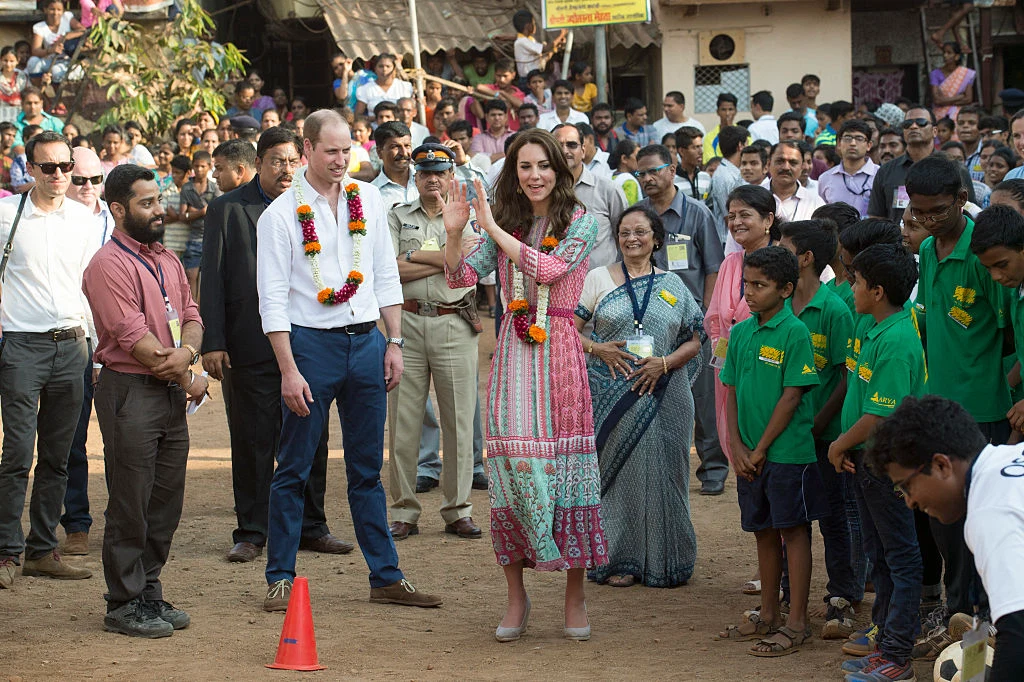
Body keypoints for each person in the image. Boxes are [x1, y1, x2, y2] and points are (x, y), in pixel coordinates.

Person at [256, 109, 441, 612]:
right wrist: (288, 369)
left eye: (346, 151)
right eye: (330, 151)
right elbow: (272, 300)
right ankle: (280, 578)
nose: (340, 160)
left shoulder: (368, 199)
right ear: (307, 149)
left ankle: (386, 576)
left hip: (367, 345)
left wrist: (394, 342)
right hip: (310, 348)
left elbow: (384, 274)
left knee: (366, 469)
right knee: (294, 467)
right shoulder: (280, 215)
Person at [443, 128, 605, 642]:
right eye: (524, 167)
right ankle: (517, 596)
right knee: (513, 466)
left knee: (567, 471)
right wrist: (455, 234)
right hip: (513, 355)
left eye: (543, 166)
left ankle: (575, 597)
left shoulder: (581, 221)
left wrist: (489, 225)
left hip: (559, 351)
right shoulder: (508, 222)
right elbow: (459, 279)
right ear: (513, 174)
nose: (535, 176)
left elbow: (550, 269)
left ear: (559, 169)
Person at [200, 129, 349, 564]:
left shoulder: (313, 204)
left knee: (311, 437)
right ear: (258, 163)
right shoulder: (228, 209)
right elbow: (213, 276)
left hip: (308, 341)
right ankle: (251, 531)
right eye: (276, 161)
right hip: (248, 343)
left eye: (291, 161)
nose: (285, 170)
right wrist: (213, 341)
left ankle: (312, 527)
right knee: (252, 440)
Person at [81, 164, 209, 637]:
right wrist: (189, 374)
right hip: (131, 390)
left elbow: (192, 314)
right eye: (147, 203)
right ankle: (123, 603)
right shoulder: (107, 265)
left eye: (159, 200)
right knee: (130, 500)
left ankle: (149, 591)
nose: (159, 210)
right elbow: (138, 343)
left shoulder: (167, 258)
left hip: (169, 392)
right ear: (118, 210)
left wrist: (187, 355)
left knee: (165, 500)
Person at [574, 205, 703, 587]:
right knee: (620, 476)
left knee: (669, 476)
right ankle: (620, 560)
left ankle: (669, 561)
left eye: (640, 232)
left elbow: (696, 339)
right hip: (613, 395)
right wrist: (598, 349)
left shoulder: (673, 285)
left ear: (656, 239)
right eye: (625, 232)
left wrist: (664, 363)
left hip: (667, 394)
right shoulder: (598, 278)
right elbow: (568, 329)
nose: (632, 238)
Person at [910, 155, 1011, 627]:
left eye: (938, 211)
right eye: (919, 212)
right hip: (940, 407)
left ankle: (978, 622)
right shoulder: (929, 251)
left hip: (983, 410)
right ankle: (956, 617)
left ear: (962, 200)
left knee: (978, 525)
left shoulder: (986, 254)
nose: (929, 221)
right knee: (944, 523)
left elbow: (1009, 334)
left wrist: (1002, 383)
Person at [868, 396, 1024, 680]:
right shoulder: (1002, 466)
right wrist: (974, 673)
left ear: (941, 465)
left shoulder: (992, 512)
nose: (909, 502)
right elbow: (979, 615)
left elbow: (1017, 634)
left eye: (907, 486)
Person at [717, 245, 825, 657]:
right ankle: (768, 613)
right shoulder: (741, 332)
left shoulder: (795, 332)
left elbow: (792, 397)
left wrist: (760, 448)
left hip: (787, 454)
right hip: (749, 455)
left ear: (785, 289)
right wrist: (737, 446)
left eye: (760, 285)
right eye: (746, 284)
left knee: (793, 532)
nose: (749, 292)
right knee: (762, 530)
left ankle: (797, 622)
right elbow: (731, 391)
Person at [0, 131, 96, 589]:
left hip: (73, 345)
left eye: (65, 166)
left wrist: (97, 347)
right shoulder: (7, 215)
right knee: (17, 454)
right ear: (31, 168)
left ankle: (42, 550)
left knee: (59, 456)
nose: (59, 175)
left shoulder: (83, 218)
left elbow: (93, 286)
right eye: (49, 167)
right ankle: (7, 551)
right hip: (22, 345)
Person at [827, 241, 925, 681]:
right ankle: (884, 643)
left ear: (878, 291)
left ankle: (898, 655)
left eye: (857, 282)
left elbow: (880, 415)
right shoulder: (875, 329)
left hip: (889, 466)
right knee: (880, 555)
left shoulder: (898, 340)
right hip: (868, 463)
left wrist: (838, 444)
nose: (851, 288)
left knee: (900, 557)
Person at [386, 143, 482, 541]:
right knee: (403, 422)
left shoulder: (466, 216)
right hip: (405, 323)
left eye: (440, 172)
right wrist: (442, 255)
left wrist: (416, 256)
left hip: (453, 322)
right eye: (425, 172)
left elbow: (464, 265)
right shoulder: (396, 215)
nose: (432, 179)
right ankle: (404, 510)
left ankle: (458, 509)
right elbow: (388, 270)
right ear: (416, 175)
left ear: (451, 176)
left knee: (459, 420)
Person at [777, 220, 859, 639]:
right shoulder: (777, 304)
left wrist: (820, 423)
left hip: (823, 437)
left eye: (784, 248)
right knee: (790, 517)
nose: (777, 253)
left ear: (806, 258)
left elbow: (847, 374)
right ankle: (789, 593)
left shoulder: (833, 310)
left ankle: (842, 595)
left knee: (832, 517)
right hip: (786, 436)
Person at [636, 145, 728, 495]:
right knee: (653, 396)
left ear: (672, 170)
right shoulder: (638, 216)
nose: (647, 178)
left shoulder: (697, 214)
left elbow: (713, 267)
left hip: (692, 324)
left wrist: (705, 317)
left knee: (704, 399)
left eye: (654, 170)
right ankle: (659, 471)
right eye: (641, 173)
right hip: (649, 322)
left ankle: (713, 468)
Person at [57, 147, 113, 557]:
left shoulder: (119, 219)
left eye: (95, 180)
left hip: (119, 346)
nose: (88, 187)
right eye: (79, 180)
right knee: (70, 440)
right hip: (72, 343)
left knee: (122, 441)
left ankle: (123, 522)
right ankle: (76, 524)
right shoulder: (49, 223)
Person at [706, 185, 779, 463]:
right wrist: (724, 357)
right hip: (730, 372)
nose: (736, 222)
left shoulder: (784, 260)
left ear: (768, 219)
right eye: (731, 216)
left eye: (745, 215)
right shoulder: (730, 263)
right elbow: (715, 319)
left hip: (770, 369)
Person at [868, 106, 976, 222]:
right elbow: (876, 218)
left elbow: (968, 213)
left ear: (935, 131)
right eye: (907, 124)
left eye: (921, 122)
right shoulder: (886, 171)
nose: (913, 127)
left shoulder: (955, 168)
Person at [553, 123, 626, 270]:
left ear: (583, 151)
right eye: (558, 145)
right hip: (555, 280)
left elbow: (624, 236)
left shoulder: (608, 190)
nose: (565, 151)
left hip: (602, 281)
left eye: (572, 145)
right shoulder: (542, 192)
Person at [179, 150, 221, 300]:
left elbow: (216, 212)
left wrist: (193, 212)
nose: (199, 169)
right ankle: (192, 308)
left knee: (207, 278)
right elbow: (182, 216)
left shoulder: (215, 187)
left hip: (212, 236)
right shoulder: (187, 188)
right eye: (196, 166)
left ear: (209, 167)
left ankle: (203, 309)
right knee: (191, 275)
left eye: (203, 166)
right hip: (195, 237)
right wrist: (202, 211)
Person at [817, 119, 879, 217]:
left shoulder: (880, 175)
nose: (853, 143)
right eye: (847, 138)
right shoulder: (825, 178)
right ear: (839, 143)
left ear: (868, 145)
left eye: (859, 138)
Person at [764, 141, 825, 223]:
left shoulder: (815, 203)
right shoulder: (753, 197)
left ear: (802, 167)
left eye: (793, 163)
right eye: (780, 161)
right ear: (768, 164)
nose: (786, 167)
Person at [25, 0, 84, 83]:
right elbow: (35, 50)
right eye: (52, 9)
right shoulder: (39, 27)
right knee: (33, 62)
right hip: (49, 60)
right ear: (45, 10)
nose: (55, 13)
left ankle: (58, 91)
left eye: (59, 10)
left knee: (56, 71)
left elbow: (83, 30)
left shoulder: (67, 18)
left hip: (66, 60)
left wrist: (66, 36)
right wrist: (51, 50)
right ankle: (38, 89)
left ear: (63, 11)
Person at [708, 125, 748, 236]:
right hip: (728, 238)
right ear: (740, 146)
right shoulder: (724, 176)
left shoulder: (734, 172)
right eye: (747, 144)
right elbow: (729, 217)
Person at [511, 9, 566, 79]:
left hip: (535, 76)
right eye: (534, 23)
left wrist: (556, 46)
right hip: (527, 78)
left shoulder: (529, 40)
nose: (535, 26)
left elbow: (545, 55)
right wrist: (561, 35)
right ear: (528, 26)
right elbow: (545, 49)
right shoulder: (522, 41)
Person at [471, 99, 513, 164]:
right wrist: (505, 154)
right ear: (486, 117)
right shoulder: (478, 138)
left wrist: (488, 158)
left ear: (506, 117)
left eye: (500, 114)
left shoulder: (515, 137)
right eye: (493, 115)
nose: (497, 118)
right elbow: (477, 161)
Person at [675, 127, 711, 202]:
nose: (701, 151)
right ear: (681, 151)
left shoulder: (706, 178)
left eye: (701, 146)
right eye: (696, 147)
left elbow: (709, 206)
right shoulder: (672, 181)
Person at [703, 93, 739, 164]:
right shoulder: (709, 138)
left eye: (730, 109)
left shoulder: (745, 136)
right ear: (718, 112)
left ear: (735, 111)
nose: (727, 113)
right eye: (723, 110)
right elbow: (710, 163)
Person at [0, 46, 28, 125]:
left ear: (17, 61)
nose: (8, 64)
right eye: (5, 60)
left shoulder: (22, 77)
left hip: (20, 113)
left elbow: (28, 95)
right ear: (0, 60)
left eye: (12, 61)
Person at [609, 139, 641, 205]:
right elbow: (629, 208)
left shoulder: (608, 177)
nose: (640, 160)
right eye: (637, 156)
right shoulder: (629, 181)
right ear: (624, 158)